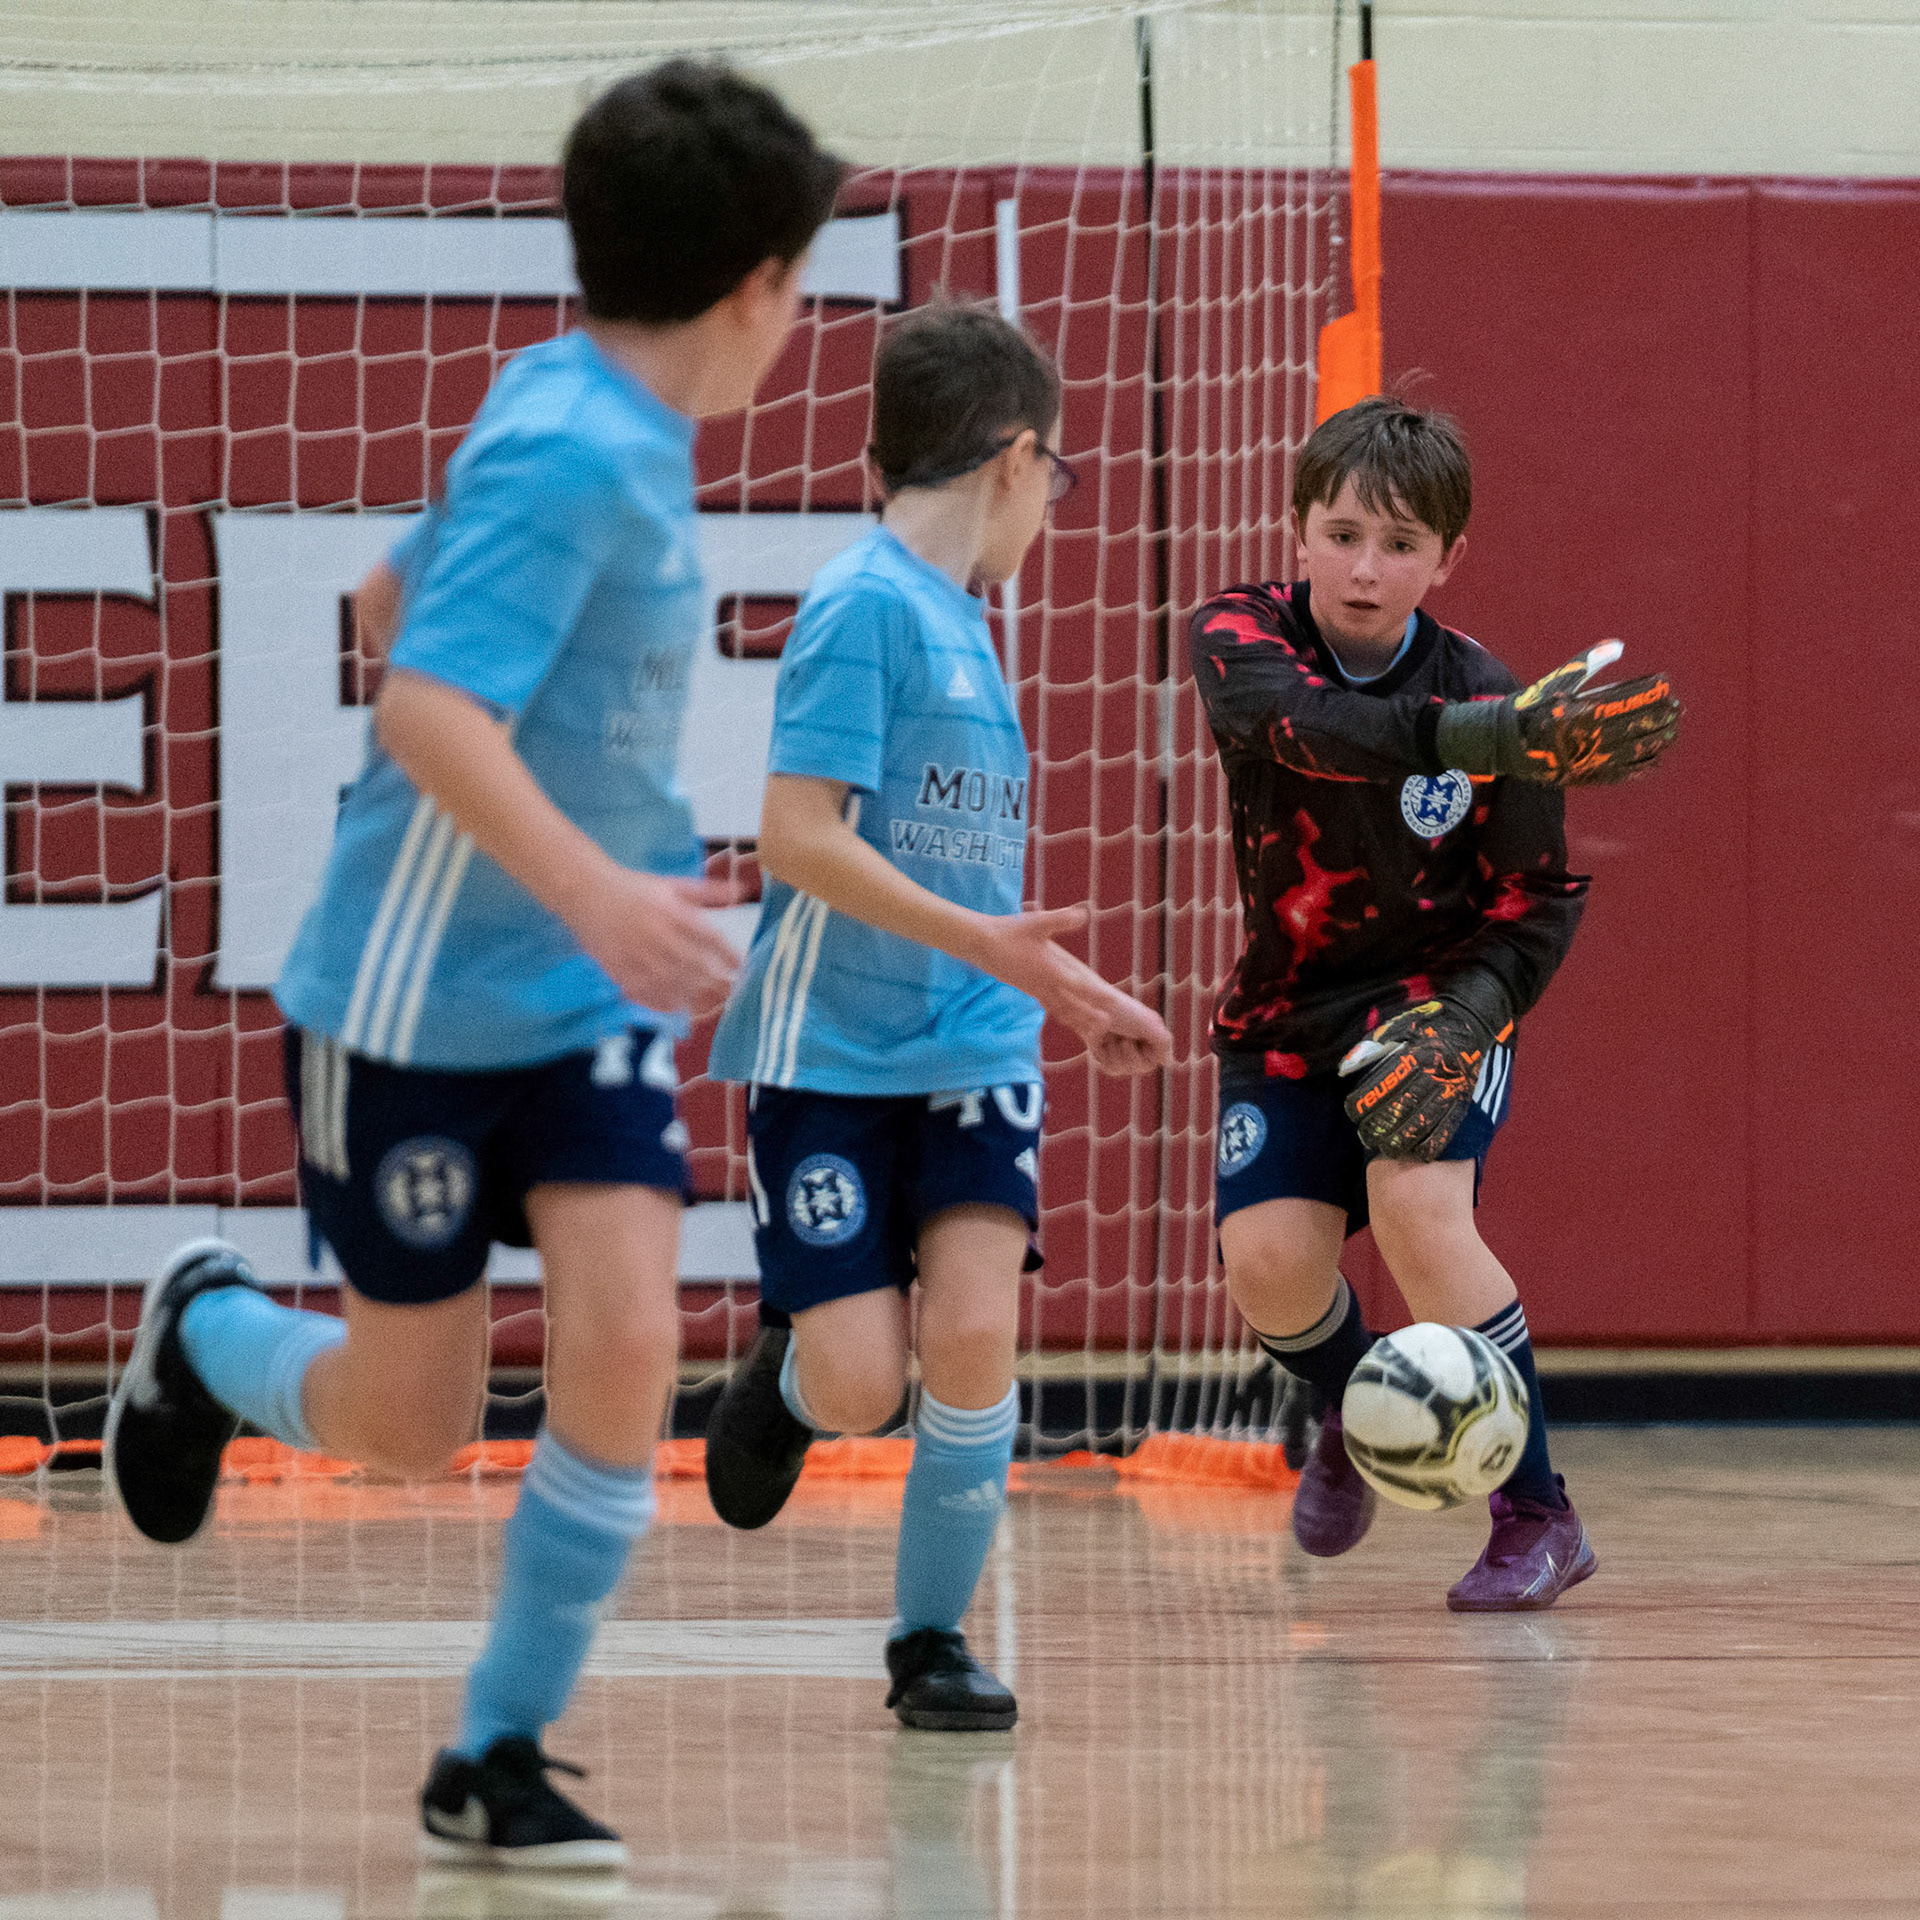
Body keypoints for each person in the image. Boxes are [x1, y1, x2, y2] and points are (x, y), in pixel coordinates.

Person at [104, 61, 844, 1867]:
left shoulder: (590, 413)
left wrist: (411, 575)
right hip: (414, 1002)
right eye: (799, 277)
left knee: (624, 1341)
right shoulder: (580, 447)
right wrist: (602, 892)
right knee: (407, 1423)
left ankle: (493, 1758)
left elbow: (401, 601)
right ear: (751, 283)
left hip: (580, 1002)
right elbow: (427, 704)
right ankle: (205, 1339)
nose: (801, 313)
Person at [701, 300, 1172, 1728]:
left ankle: (930, 1645)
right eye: (1059, 474)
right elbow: (797, 839)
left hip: (972, 1051)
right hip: (833, 1057)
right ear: (1019, 458)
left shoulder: (973, 630)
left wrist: (1060, 989)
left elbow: (974, 881)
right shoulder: (861, 609)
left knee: (972, 1340)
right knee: (863, 1386)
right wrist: (998, 944)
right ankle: (790, 1377)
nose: (1054, 503)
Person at [1189, 395, 1679, 1611]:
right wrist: (1488, 739)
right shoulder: (1240, 635)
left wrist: (1464, 1021)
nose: (1366, 567)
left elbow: (1540, 897)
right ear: (1298, 528)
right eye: (1344, 533)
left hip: (1432, 998)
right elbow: (1301, 729)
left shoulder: (1488, 689)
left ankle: (1540, 1515)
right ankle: (1357, 1406)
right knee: (1266, 1267)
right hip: (1286, 1011)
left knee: (1417, 1209)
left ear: (1448, 559)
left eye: (1400, 544)